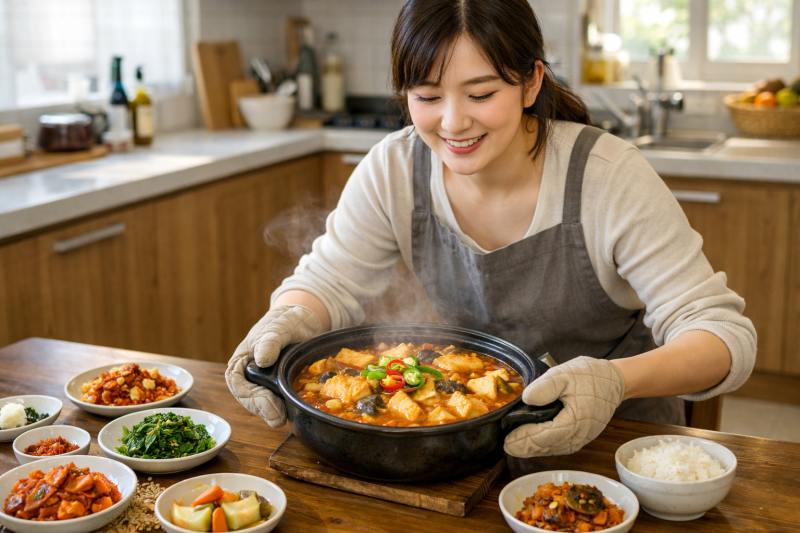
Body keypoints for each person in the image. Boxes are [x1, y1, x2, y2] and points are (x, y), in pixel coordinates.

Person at [226, 0, 756, 458]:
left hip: (621, 442)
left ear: (531, 82)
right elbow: (328, 282)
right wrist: (287, 317)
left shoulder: (607, 176)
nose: (453, 123)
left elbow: (723, 337)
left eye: (480, 95)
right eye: (428, 97)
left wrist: (615, 382)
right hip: (465, 447)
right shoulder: (394, 168)